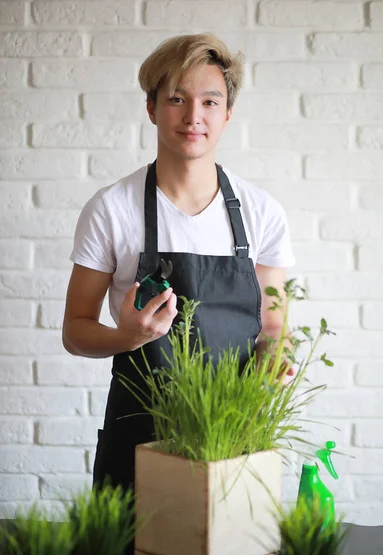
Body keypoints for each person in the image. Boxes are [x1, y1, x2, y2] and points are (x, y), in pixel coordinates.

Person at [63, 33, 295, 495]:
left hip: (230, 438)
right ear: (151, 108)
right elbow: (75, 329)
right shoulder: (112, 209)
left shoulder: (261, 213)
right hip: (138, 437)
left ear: (227, 114)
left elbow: (273, 327)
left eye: (210, 101)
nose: (194, 116)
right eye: (176, 99)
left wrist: (278, 362)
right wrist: (128, 336)